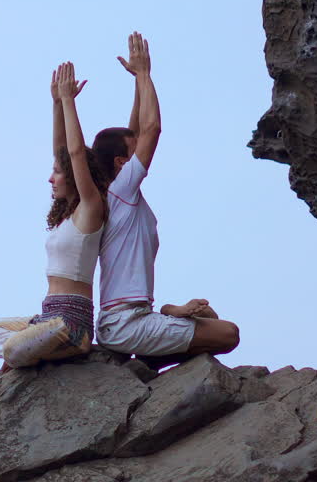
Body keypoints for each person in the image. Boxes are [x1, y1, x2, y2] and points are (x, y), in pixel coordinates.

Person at [92, 32, 240, 368]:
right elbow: (151, 130)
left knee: (208, 315)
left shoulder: (117, 191)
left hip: (130, 318)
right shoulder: (121, 191)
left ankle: (166, 319)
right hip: (124, 324)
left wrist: (136, 84)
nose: (140, 152)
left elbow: (132, 131)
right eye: (132, 153)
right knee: (228, 334)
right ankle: (153, 348)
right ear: (120, 163)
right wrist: (145, 74)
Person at [0, 62, 109, 369]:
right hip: (47, 317)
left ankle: (49, 349)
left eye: (56, 174)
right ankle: (36, 349)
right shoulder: (67, 217)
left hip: (71, 323)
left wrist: (69, 101)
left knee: (13, 349)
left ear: (74, 177)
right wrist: (55, 104)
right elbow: (62, 153)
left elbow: (75, 154)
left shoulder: (91, 209)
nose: (50, 179)